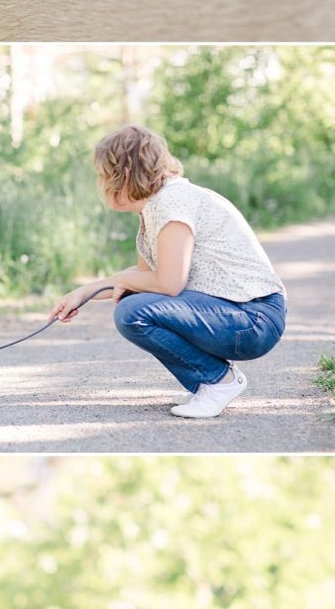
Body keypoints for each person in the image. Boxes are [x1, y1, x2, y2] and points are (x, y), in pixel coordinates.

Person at [51, 124, 287, 419]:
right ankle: (208, 382)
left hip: (254, 318)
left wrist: (123, 280)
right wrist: (83, 294)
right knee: (133, 305)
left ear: (122, 175)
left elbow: (168, 283)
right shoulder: (152, 210)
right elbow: (143, 284)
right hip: (236, 313)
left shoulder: (173, 202)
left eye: (102, 174)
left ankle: (217, 380)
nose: (100, 183)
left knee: (131, 312)